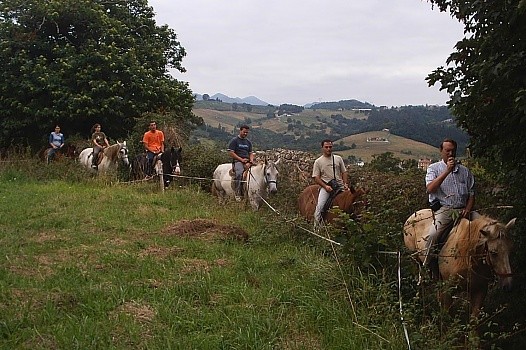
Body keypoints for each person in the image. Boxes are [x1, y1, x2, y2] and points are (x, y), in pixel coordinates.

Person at [423, 138, 480, 266]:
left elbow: (471, 193)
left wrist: (468, 209)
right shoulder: (434, 168)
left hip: (465, 209)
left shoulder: (465, 171)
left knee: (486, 228)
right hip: (446, 209)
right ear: (441, 151)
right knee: (433, 234)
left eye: (453, 151)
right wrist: (447, 171)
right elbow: (430, 189)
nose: (450, 154)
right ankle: (426, 266)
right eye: (447, 151)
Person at [312, 139, 350, 227]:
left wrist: (345, 184)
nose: (329, 149)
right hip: (327, 187)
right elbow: (316, 178)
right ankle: (317, 227)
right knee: (320, 207)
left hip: (340, 186)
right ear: (322, 148)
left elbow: (344, 172)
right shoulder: (318, 161)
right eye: (326, 147)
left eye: (330, 147)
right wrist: (325, 187)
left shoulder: (338, 159)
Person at [227, 125, 255, 201]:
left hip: (247, 161)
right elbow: (231, 153)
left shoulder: (248, 142)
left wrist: (251, 160)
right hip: (238, 161)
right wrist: (241, 159)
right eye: (244, 132)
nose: (245, 134)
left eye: (247, 132)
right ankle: (238, 193)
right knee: (239, 173)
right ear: (240, 131)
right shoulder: (234, 140)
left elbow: (251, 153)